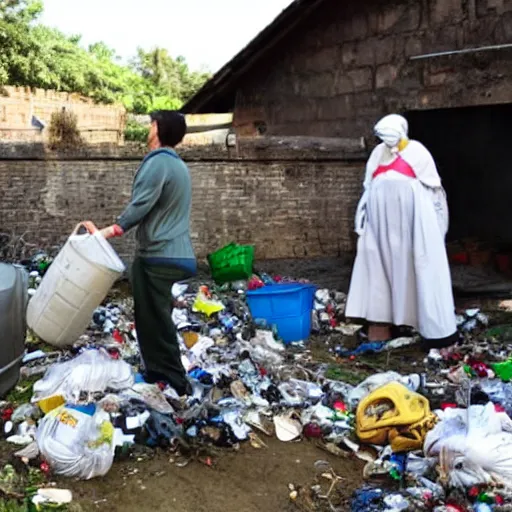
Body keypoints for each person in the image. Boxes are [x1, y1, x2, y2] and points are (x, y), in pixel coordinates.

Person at [100, 110, 195, 395]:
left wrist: (109, 231)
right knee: (155, 318)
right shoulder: (177, 165)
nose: (148, 128)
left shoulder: (159, 163)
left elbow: (139, 206)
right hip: (174, 254)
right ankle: (158, 373)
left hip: (159, 256)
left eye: (152, 123)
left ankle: (176, 382)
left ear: (158, 129)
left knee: (154, 322)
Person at [345, 114, 457, 348]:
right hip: (380, 225)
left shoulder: (417, 151)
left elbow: (434, 190)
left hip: (411, 223)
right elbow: (369, 186)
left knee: (417, 268)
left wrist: (437, 224)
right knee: (378, 270)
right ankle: (381, 325)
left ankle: (433, 330)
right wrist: (362, 219)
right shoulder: (377, 154)